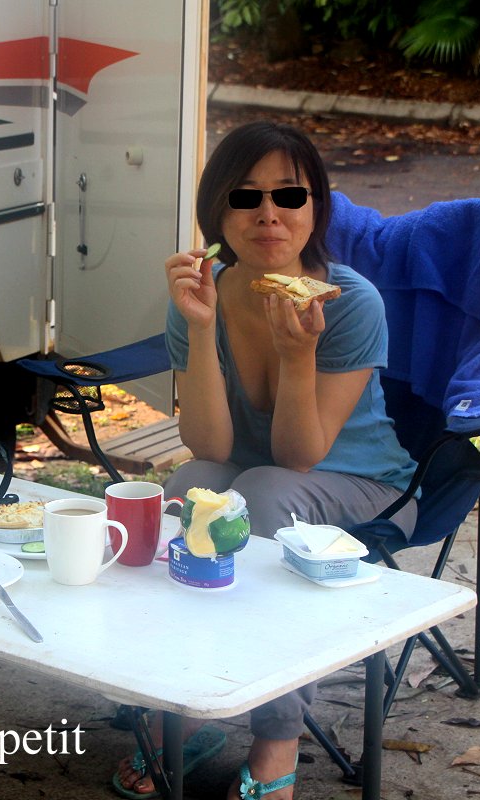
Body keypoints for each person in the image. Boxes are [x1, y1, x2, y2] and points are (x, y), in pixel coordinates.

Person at [113, 122, 418, 799]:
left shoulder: (349, 303)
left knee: (267, 493)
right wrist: (199, 328)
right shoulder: (200, 295)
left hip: (365, 484)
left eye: (289, 194)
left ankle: (278, 736)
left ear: (316, 208)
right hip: (251, 478)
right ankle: (189, 702)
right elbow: (211, 448)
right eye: (246, 197)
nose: (268, 213)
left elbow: (300, 455)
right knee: (190, 486)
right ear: (218, 213)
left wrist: (297, 355)